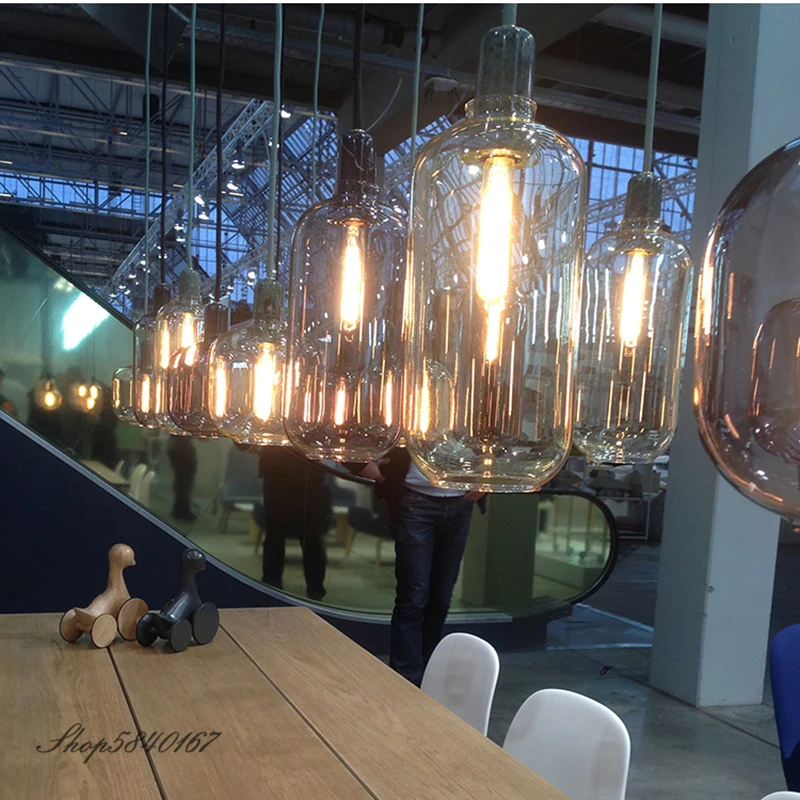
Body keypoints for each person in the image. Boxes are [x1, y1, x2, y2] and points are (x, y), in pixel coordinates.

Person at [358, 448, 485, 686]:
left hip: (461, 501)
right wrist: (357, 464)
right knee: (413, 595)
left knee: (441, 597)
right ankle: (405, 680)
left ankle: (428, 675)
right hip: (414, 499)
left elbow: (496, 439)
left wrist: (488, 478)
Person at [259, 446, 329, 601]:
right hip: (290, 470)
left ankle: (273, 587)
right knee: (304, 535)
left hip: (292, 471)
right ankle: (314, 590)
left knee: (299, 535)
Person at [166, 435, 198, 521]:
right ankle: (182, 510)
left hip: (177, 447)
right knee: (185, 481)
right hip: (182, 449)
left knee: (181, 480)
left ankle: (180, 509)